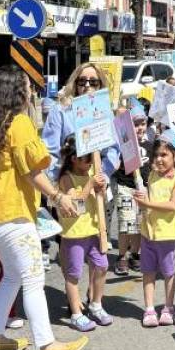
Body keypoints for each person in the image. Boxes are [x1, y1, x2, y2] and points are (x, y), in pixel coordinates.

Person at [0, 65, 89, 350]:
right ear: (17, 92)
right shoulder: (18, 123)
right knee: (33, 278)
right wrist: (58, 197)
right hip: (13, 213)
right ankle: (47, 345)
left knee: (13, 276)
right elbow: (34, 171)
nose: (32, 91)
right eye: (28, 87)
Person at [56, 137, 113, 332]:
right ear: (74, 159)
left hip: (93, 231)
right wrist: (90, 184)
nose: (89, 163)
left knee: (102, 265)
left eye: (91, 159)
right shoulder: (66, 178)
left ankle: (96, 305)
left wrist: (102, 189)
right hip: (74, 235)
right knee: (73, 274)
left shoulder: (91, 172)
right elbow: (75, 202)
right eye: (86, 159)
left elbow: (99, 199)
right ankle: (76, 314)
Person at [133, 129, 175, 327]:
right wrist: (140, 199)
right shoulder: (153, 175)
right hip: (148, 233)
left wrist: (146, 204)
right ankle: (148, 308)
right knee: (148, 271)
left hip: (166, 235)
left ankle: (168, 306)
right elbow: (147, 199)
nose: (159, 159)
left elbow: (172, 205)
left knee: (168, 272)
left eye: (164, 154)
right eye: (156, 154)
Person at [111, 103, 150, 275]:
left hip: (143, 190)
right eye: (136, 124)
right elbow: (114, 163)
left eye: (143, 123)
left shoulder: (151, 142)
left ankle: (135, 253)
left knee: (138, 225)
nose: (140, 128)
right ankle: (121, 256)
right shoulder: (122, 142)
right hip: (125, 187)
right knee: (126, 225)